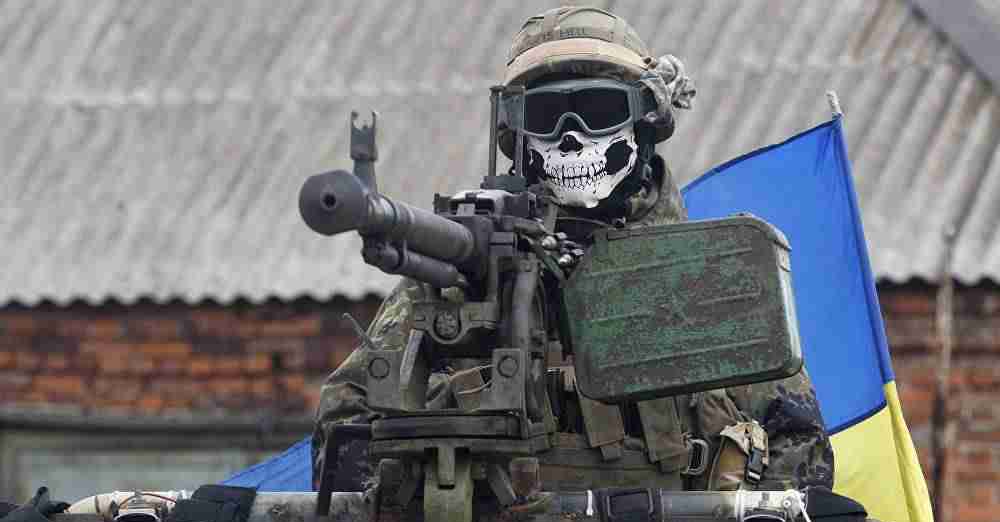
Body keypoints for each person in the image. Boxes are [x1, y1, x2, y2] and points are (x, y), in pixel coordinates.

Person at [312, 6, 834, 495]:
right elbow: (345, 430)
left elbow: (799, 446)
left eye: (598, 110)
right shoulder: (458, 279)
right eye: (547, 116)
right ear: (515, 135)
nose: (571, 137)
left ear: (645, 123)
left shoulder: (710, 274)